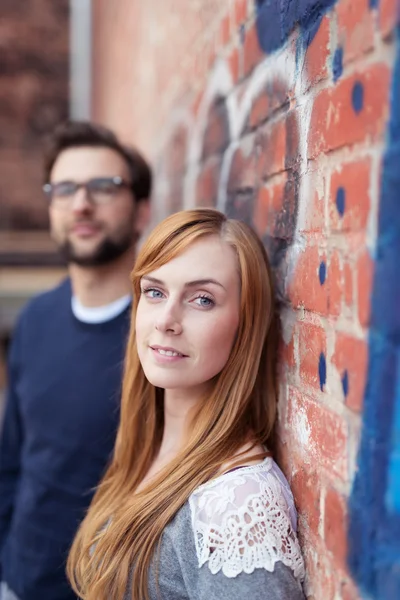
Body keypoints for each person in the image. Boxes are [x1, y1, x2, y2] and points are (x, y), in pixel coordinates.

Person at [67, 208, 306, 600]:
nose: (166, 320)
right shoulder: (150, 446)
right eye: (155, 292)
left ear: (245, 324)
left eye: (202, 300)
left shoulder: (238, 507)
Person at [0, 121, 152, 600]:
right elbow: (14, 458)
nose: (81, 204)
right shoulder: (35, 320)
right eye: (64, 189)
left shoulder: (161, 333)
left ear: (141, 210)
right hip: (21, 580)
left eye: (103, 187)